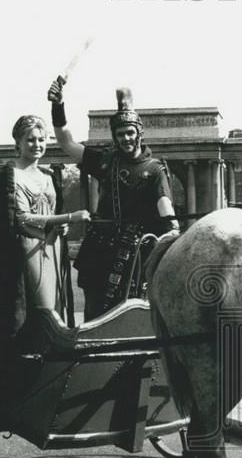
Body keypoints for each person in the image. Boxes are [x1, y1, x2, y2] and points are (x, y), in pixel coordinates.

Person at [0, 115, 91, 417]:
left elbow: (51, 215)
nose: (38, 144)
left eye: (42, 139)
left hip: (52, 252)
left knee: (54, 316)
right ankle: (23, 386)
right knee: (41, 318)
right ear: (17, 142)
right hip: (24, 254)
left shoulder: (48, 176)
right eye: (31, 139)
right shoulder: (10, 174)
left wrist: (61, 229)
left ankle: (49, 387)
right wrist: (67, 219)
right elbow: (19, 219)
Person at [47, 79, 179, 320]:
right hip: (100, 251)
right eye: (120, 134)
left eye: (130, 132)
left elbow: (164, 204)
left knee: (133, 316)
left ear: (139, 132)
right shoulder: (106, 161)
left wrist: (172, 229)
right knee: (95, 315)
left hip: (136, 254)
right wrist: (58, 105)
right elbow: (66, 142)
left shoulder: (156, 169)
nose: (126, 138)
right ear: (115, 137)